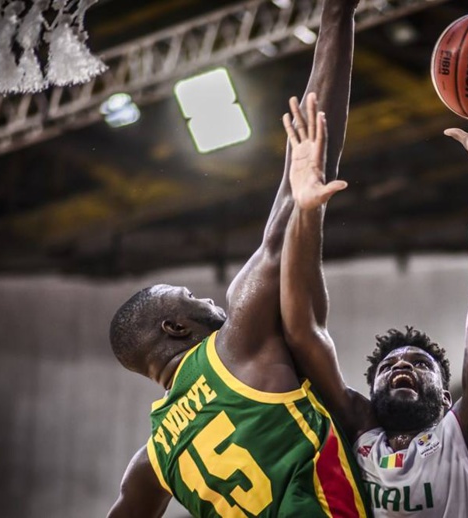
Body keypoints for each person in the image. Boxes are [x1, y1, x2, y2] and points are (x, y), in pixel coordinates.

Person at [104, 1, 370, 516]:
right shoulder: (239, 341)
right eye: (189, 299)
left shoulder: (152, 462)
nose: (204, 298)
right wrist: (338, 16)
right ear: (175, 328)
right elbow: (295, 195)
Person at [279, 77, 468, 517]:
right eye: (389, 366)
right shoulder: (357, 428)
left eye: (420, 364)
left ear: (446, 398)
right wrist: (304, 213)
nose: (401, 364)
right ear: (371, 392)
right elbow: (304, 331)